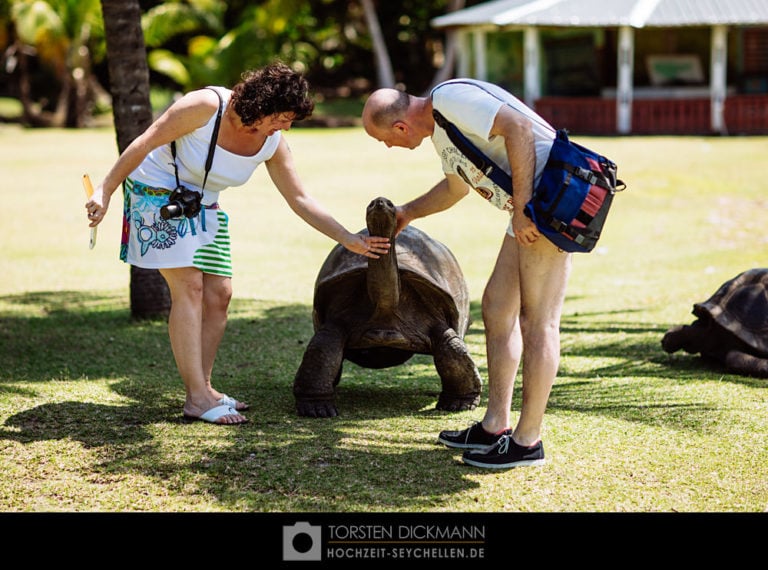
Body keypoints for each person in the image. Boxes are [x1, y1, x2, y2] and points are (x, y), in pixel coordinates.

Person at [86, 62, 390, 425]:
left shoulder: (272, 141)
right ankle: (196, 399)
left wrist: (348, 239)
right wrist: (105, 190)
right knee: (190, 286)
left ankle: (205, 386)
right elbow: (145, 142)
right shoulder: (205, 107)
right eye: (284, 116)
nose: (288, 126)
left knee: (220, 294)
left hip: (202, 202)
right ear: (262, 105)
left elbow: (300, 199)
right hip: (155, 192)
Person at [362, 79, 570, 468]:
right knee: (496, 307)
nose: (388, 147)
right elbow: (456, 188)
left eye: (384, 139)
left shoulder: (450, 99)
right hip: (527, 208)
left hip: (547, 202)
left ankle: (528, 442)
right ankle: (495, 426)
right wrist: (408, 212)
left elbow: (518, 128)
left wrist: (524, 207)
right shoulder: (442, 128)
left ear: (400, 127)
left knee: (538, 320)